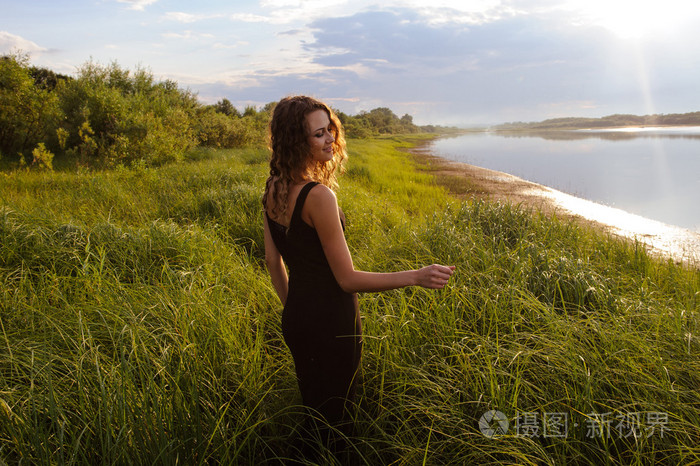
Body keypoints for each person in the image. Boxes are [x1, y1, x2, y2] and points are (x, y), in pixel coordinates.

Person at [262, 95, 455, 458]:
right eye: (318, 134)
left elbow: (273, 264)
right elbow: (347, 280)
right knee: (338, 423)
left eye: (330, 129)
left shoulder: (272, 189)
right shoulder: (318, 197)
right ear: (295, 141)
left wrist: (297, 310)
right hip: (333, 322)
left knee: (314, 411)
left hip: (297, 318)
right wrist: (416, 275)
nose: (330, 139)